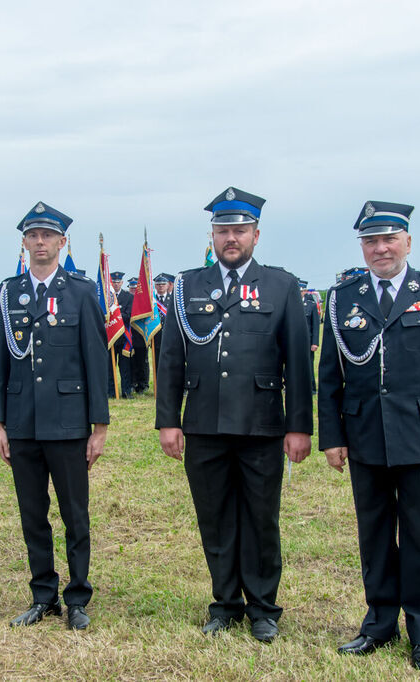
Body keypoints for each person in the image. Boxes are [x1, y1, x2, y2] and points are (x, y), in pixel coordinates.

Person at [318, 200, 420, 670]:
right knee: (375, 533)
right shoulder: (342, 297)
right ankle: (379, 623)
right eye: (370, 241)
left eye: (388, 239)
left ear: (408, 242)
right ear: (362, 247)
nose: (380, 248)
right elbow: (329, 376)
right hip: (364, 432)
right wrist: (333, 436)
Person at [156, 187, 313, 643]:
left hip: (261, 423)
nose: (231, 237)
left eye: (239, 230)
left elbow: (298, 364)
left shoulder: (281, 286)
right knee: (215, 516)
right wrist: (169, 420)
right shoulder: (188, 286)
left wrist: (299, 426)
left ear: (256, 235)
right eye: (223, 230)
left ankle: (263, 607)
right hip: (204, 423)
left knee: (261, 517)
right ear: (212, 235)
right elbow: (171, 359)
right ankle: (225, 603)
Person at [0, 201, 109, 631]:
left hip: (68, 423)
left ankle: (77, 596)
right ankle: (44, 595)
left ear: (62, 242)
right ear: (24, 242)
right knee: (32, 513)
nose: (41, 243)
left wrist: (100, 427)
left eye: (48, 236)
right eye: (33, 236)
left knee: (75, 513)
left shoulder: (80, 292)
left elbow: (96, 362)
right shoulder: (7, 294)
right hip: (22, 424)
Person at [108, 272, 133, 398]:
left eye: (118, 282)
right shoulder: (107, 298)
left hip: (124, 338)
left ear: (122, 283)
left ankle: (126, 391)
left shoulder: (128, 297)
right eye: (114, 282)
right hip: (110, 338)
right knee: (109, 367)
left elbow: (129, 316)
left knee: (125, 367)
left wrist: (115, 315)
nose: (116, 284)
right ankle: (111, 392)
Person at [127, 277, 150, 393]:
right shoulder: (126, 299)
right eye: (131, 288)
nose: (133, 291)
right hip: (128, 336)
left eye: (135, 288)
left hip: (141, 335)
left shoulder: (144, 301)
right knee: (130, 361)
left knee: (142, 361)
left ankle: (143, 384)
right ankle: (132, 382)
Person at [300, 279, 320, 394]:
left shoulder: (311, 305)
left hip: (307, 340)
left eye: (302, 291)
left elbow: (316, 326)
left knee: (308, 365)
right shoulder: (292, 304)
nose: (300, 293)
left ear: (305, 291)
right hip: (295, 341)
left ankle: (312, 388)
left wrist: (315, 342)